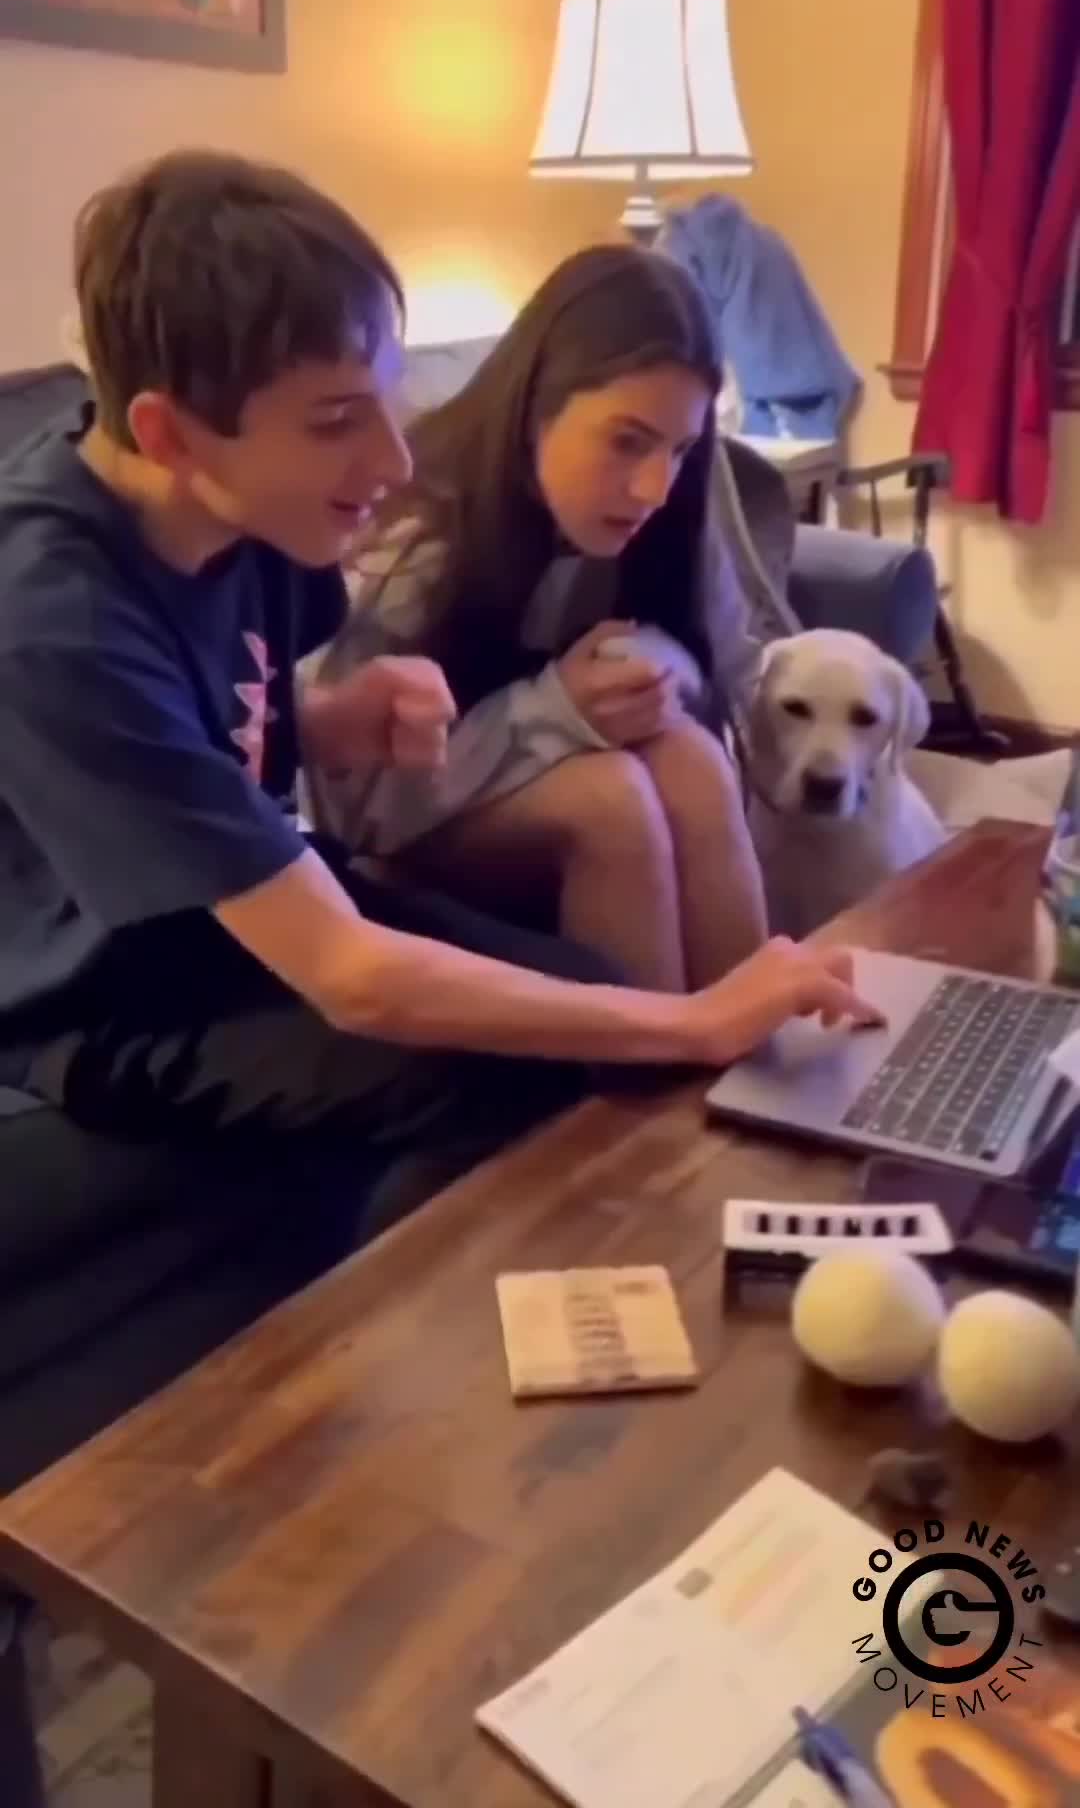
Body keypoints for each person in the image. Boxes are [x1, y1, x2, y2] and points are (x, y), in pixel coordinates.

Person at [0, 151, 877, 1201]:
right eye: (337, 421)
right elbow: (351, 978)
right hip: (102, 995)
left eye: (384, 398)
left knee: (588, 992)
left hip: (238, 904)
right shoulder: (53, 618)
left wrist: (332, 719)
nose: (395, 462)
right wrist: (695, 1021)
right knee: (500, 1072)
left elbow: (196, 725)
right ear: (170, 437)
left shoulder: (254, 511)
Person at [310, 244, 770, 992]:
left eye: (681, 448)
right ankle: (646, 1068)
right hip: (400, 826)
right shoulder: (414, 533)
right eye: (626, 442)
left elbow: (737, 671)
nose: (654, 488)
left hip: (520, 768)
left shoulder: (670, 511)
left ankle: (755, 1049)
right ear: (535, 410)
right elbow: (345, 807)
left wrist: (662, 670)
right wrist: (554, 711)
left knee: (694, 763)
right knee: (611, 802)